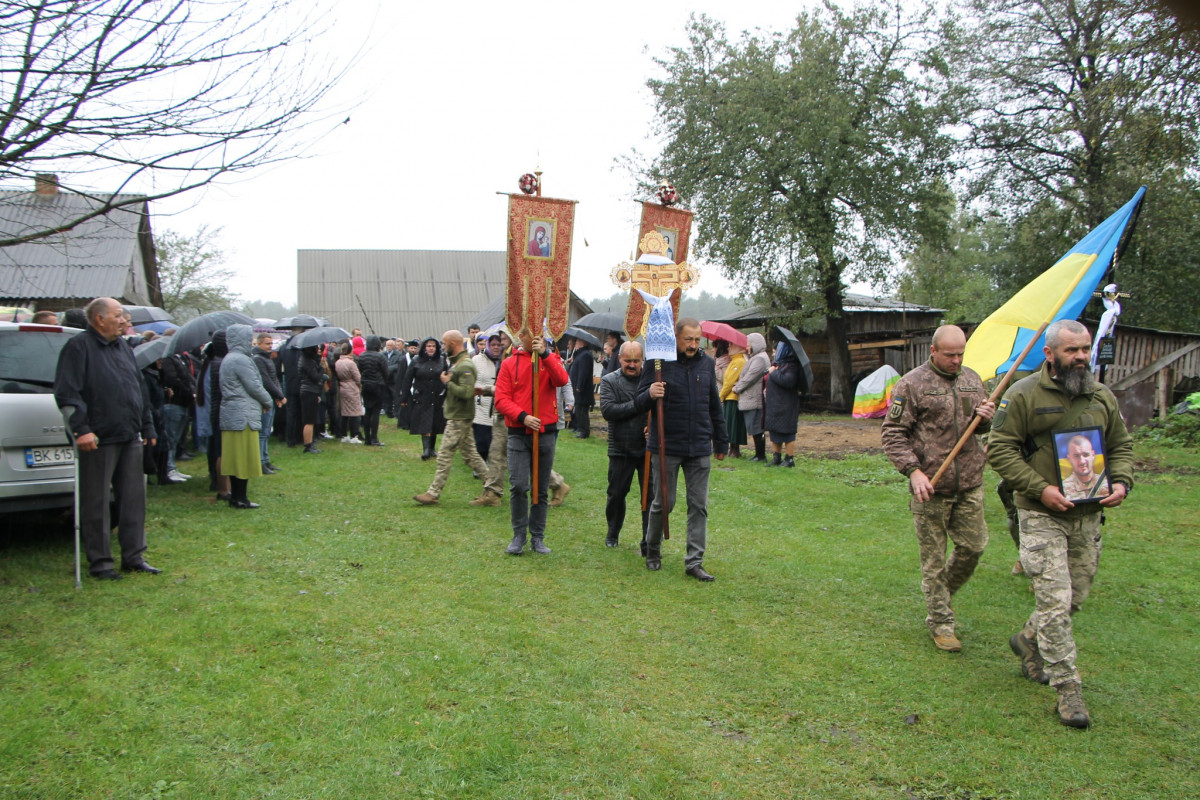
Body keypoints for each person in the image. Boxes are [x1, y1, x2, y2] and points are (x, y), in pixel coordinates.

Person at [988, 319, 1133, 729]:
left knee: (1074, 597)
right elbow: (999, 449)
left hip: (1087, 515)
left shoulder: (1102, 396)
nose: (1081, 357)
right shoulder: (1022, 395)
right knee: (1054, 601)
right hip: (1041, 513)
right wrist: (1041, 488)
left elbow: (1120, 444)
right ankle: (1069, 690)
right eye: (1072, 350)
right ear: (1049, 354)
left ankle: (1028, 639)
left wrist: (1121, 480)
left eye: (1085, 348)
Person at [880, 324, 996, 653]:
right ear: (933, 351)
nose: (956, 360)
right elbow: (892, 433)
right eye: (950, 355)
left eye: (961, 354)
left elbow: (981, 428)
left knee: (974, 547)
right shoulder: (912, 384)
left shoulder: (974, 380)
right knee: (933, 561)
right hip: (930, 487)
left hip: (970, 483)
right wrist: (913, 471)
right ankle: (941, 621)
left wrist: (985, 417)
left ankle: (941, 594)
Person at [54, 297, 160, 579]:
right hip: (98, 437)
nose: (124, 320)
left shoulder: (123, 348)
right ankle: (101, 563)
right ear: (99, 319)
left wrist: (147, 426)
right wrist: (81, 429)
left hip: (129, 434)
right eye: (118, 315)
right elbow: (68, 393)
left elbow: (138, 390)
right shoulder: (79, 347)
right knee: (97, 501)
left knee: (133, 499)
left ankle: (134, 556)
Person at [634, 318, 729, 580]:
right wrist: (651, 393)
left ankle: (694, 562)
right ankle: (652, 549)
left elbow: (714, 405)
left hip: (699, 444)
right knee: (664, 502)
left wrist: (721, 440)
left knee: (699, 505)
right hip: (667, 444)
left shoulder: (706, 363)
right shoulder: (658, 364)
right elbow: (639, 401)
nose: (693, 344)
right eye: (688, 339)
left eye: (697, 340)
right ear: (676, 337)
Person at [493, 330, 569, 554]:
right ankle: (519, 535)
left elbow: (561, 380)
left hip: (546, 432)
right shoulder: (509, 364)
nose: (533, 337)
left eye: (538, 333)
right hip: (518, 432)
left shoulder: (551, 358)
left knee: (541, 488)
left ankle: (538, 537)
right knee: (518, 485)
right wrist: (523, 416)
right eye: (528, 333)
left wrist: (545, 355)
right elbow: (501, 399)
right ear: (520, 337)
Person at [413, 330, 488, 505]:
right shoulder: (459, 363)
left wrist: (449, 383)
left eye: (444, 344)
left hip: (459, 417)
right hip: (458, 415)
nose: (443, 347)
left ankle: (433, 493)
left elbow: (467, 392)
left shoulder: (465, 366)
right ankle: (493, 488)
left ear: (452, 344)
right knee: (471, 456)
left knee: (445, 455)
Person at [598, 340, 652, 551]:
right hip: (620, 446)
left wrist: (653, 426)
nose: (631, 365)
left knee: (650, 496)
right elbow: (609, 410)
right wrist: (640, 403)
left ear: (642, 360)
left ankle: (648, 540)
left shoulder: (651, 380)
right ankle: (613, 532)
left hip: (648, 447)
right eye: (627, 360)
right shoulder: (610, 380)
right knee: (617, 494)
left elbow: (661, 406)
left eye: (636, 361)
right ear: (619, 359)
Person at [219, 325, 272, 509]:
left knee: (236, 458)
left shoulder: (229, 358)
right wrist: (268, 401)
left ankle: (237, 496)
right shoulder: (241, 360)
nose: (251, 342)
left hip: (233, 413)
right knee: (243, 458)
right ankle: (241, 498)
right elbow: (254, 386)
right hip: (243, 415)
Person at [470, 331, 512, 508]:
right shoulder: (482, 360)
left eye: (501, 342)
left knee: (521, 456)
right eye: (494, 343)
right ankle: (492, 492)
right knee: (495, 454)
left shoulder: (511, 361)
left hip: (509, 413)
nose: (497, 346)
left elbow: (509, 388)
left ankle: (556, 483)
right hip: (494, 411)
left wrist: (487, 389)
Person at [400, 337, 448, 459]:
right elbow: (407, 379)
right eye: (428, 346)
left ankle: (432, 448)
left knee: (435, 422)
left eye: (433, 346)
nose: (431, 348)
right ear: (424, 348)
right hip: (422, 396)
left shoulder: (442, 360)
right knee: (425, 422)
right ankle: (426, 449)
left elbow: (447, 377)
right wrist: (404, 397)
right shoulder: (416, 360)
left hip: (437, 396)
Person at [160, 345, 197, 482]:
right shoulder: (168, 359)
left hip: (183, 402)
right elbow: (173, 379)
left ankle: (172, 467)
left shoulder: (181, 358)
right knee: (170, 437)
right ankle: (169, 469)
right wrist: (189, 392)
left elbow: (187, 377)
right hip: (174, 402)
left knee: (175, 438)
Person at [764, 340, 803, 467]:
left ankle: (789, 458)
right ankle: (777, 457)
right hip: (774, 404)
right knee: (775, 431)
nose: (775, 354)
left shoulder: (792, 366)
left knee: (787, 432)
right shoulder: (780, 365)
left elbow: (788, 381)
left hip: (786, 405)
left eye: (777, 351)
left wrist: (773, 372)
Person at [733, 332, 770, 462]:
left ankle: (760, 455)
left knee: (756, 427)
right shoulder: (755, 357)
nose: (746, 346)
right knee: (753, 427)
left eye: (748, 344)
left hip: (754, 399)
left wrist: (736, 388)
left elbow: (750, 378)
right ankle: (758, 454)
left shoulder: (759, 359)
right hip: (751, 398)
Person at [252, 332, 285, 473]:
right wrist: (278, 395)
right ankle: (260, 462)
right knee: (262, 433)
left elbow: (275, 378)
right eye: (267, 344)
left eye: (271, 344)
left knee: (266, 432)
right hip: (265, 399)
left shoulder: (267, 358)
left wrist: (279, 395)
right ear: (259, 344)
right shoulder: (258, 359)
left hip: (272, 398)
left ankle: (265, 460)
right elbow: (265, 380)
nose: (270, 346)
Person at [357, 335, 390, 446]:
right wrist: (385, 382)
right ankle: (374, 438)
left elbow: (359, 370)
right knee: (375, 412)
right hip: (377, 385)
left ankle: (367, 439)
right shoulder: (380, 357)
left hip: (366, 385)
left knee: (368, 411)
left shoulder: (361, 356)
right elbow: (386, 372)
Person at [1061, 434, 1110, 500]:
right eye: (1076, 456)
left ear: (1093, 455)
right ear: (1069, 458)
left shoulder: (1106, 483)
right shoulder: (1063, 489)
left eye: (1086, 455)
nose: (1082, 461)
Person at [719, 341, 746, 457]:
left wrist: (721, 395)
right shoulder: (733, 361)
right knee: (729, 423)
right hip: (729, 397)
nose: (729, 347)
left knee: (733, 424)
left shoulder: (739, 361)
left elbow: (729, 382)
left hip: (733, 397)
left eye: (732, 345)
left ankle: (735, 450)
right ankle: (732, 449)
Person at [298, 345, 326, 454]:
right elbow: (315, 377)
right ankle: (308, 445)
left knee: (310, 420)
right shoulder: (307, 361)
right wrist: (321, 368)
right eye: (316, 348)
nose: (318, 350)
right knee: (309, 420)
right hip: (309, 390)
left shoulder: (305, 359)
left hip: (309, 390)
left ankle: (309, 443)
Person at [335, 341, 364, 444]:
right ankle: (354, 435)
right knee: (355, 413)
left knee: (344, 412)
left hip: (342, 387)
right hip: (352, 387)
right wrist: (360, 386)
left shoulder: (338, 362)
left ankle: (344, 434)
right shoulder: (351, 363)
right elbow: (358, 378)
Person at [567, 338, 594, 438]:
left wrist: (579, 386)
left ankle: (584, 431)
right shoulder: (579, 354)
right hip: (576, 387)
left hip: (582, 389)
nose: (575, 344)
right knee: (578, 409)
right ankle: (578, 427)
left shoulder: (586, 355)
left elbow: (583, 372)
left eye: (577, 342)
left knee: (582, 411)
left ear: (583, 343)